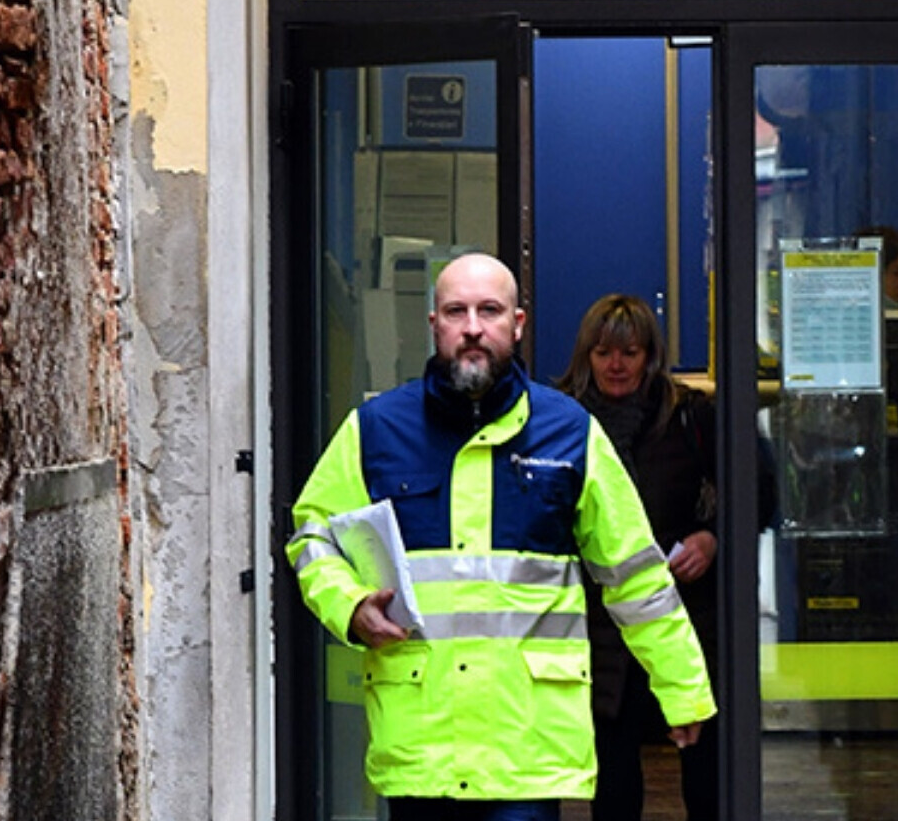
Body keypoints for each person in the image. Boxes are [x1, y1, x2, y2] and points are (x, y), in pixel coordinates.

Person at [286, 254, 715, 821]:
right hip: (423, 745)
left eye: (489, 311)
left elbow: (634, 574)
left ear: (517, 323)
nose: (472, 327)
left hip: (525, 748)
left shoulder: (570, 433)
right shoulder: (375, 430)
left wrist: (681, 688)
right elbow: (313, 534)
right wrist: (348, 607)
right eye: (456, 311)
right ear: (433, 323)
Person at [556, 295, 722, 821]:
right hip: (596, 623)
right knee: (613, 767)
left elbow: (755, 490)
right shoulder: (558, 420)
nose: (616, 365)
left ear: (650, 355)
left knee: (704, 762)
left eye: (629, 353)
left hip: (684, 610)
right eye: (603, 353)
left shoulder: (689, 414)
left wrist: (710, 538)